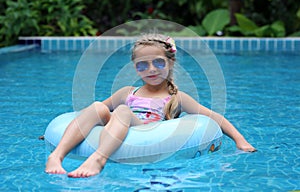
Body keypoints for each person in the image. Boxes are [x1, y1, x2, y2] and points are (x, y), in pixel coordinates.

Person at [45, 34, 256, 178]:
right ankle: (56, 156)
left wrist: (240, 140)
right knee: (99, 106)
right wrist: (66, 130)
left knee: (122, 110)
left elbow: (213, 117)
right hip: (121, 124)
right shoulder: (127, 92)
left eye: (159, 62)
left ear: (170, 63)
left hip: (146, 132)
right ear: (136, 69)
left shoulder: (177, 97)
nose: (151, 69)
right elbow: (92, 114)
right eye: (142, 65)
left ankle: (98, 159)